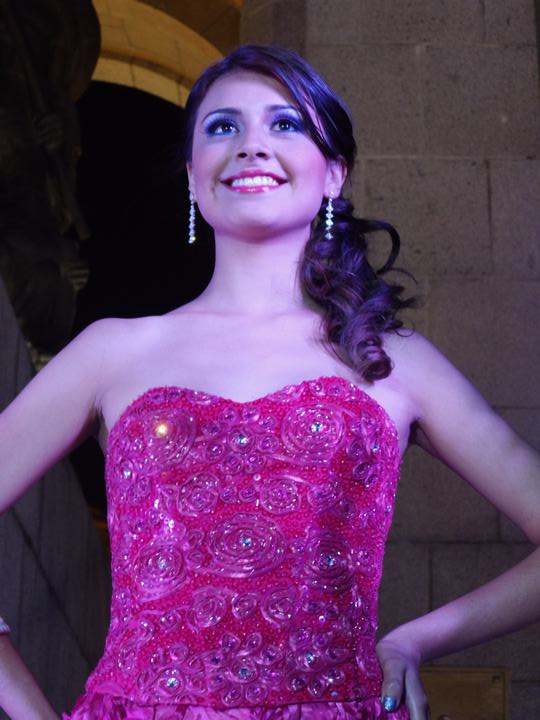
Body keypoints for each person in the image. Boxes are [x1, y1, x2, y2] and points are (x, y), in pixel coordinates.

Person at [0, 43, 539, 720]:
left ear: (334, 172)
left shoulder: (391, 361)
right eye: (222, 126)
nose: (251, 145)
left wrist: (414, 640)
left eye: (284, 123)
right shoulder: (113, 352)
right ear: (193, 174)